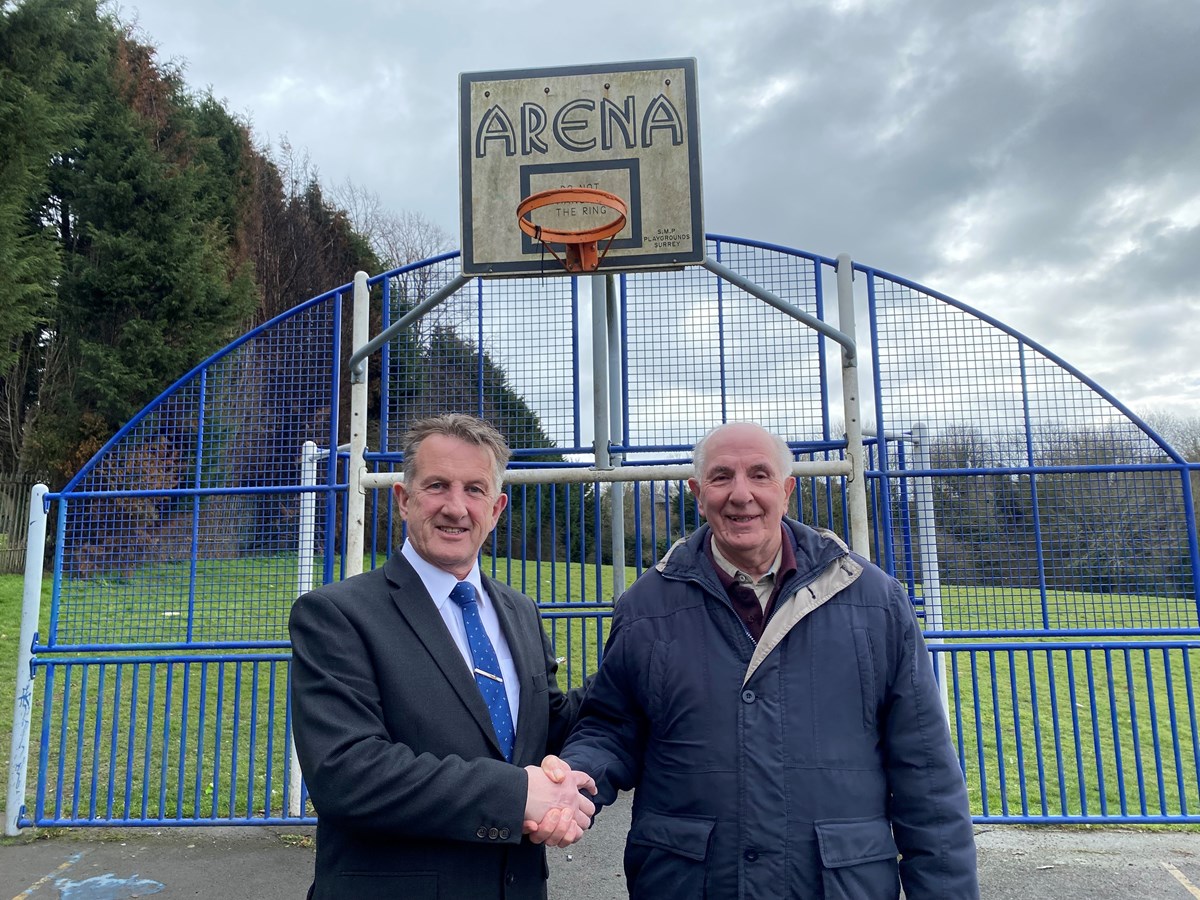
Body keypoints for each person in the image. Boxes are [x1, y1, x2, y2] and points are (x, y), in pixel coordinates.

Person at [548, 421, 978, 899]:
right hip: (689, 883)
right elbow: (611, 725)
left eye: (759, 474)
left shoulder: (873, 601)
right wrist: (578, 775)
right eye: (720, 477)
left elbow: (926, 772)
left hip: (839, 884)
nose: (741, 494)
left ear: (787, 489)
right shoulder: (647, 605)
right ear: (696, 491)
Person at [289, 413, 596, 900]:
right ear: (404, 499)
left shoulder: (520, 612)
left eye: (474, 490)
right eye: (437, 486)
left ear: (496, 509)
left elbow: (547, 728)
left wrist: (635, 663)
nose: (456, 507)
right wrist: (517, 796)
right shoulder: (337, 615)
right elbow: (345, 773)